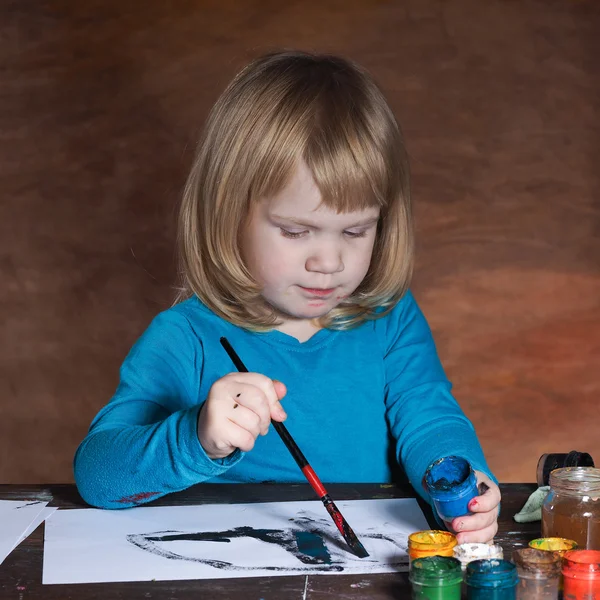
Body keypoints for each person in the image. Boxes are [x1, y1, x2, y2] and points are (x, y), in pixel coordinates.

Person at [74, 50, 500, 544]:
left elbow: (431, 420)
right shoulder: (184, 338)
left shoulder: (392, 320)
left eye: (356, 230)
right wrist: (194, 437)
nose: (329, 261)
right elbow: (98, 477)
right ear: (230, 215)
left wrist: (464, 487)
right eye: (297, 231)